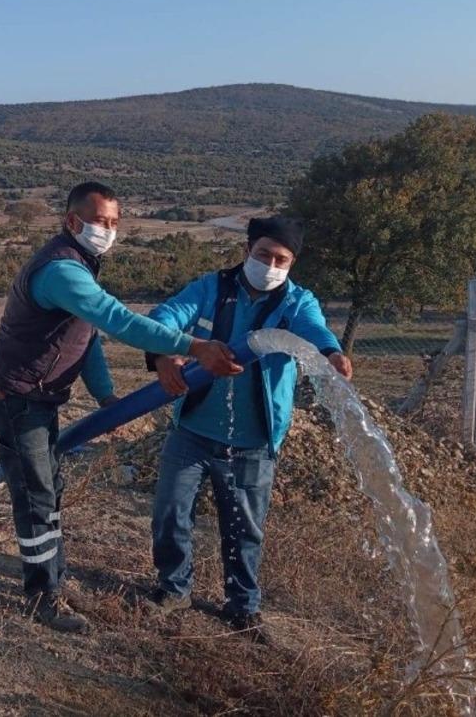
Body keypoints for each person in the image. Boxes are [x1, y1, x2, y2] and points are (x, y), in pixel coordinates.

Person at [0, 181, 237, 633]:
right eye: (100, 222)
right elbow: (116, 320)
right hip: (16, 399)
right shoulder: (62, 271)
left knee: (48, 489)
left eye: (115, 223)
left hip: (34, 399)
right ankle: (42, 597)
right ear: (72, 221)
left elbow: (86, 337)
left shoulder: (80, 265)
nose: (108, 230)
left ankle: (52, 578)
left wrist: (105, 397)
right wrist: (193, 346)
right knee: (36, 495)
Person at [142, 216, 352, 640]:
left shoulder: (296, 303)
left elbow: (315, 330)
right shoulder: (212, 289)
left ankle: (242, 606)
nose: (270, 265)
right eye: (263, 255)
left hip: (254, 441)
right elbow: (166, 315)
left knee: (245, 527)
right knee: (170, 512)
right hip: (194, 431)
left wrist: (331, 353)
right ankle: (174, 588)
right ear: (247, 252)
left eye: (281, 259)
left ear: (291, 263)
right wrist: (164, 356)